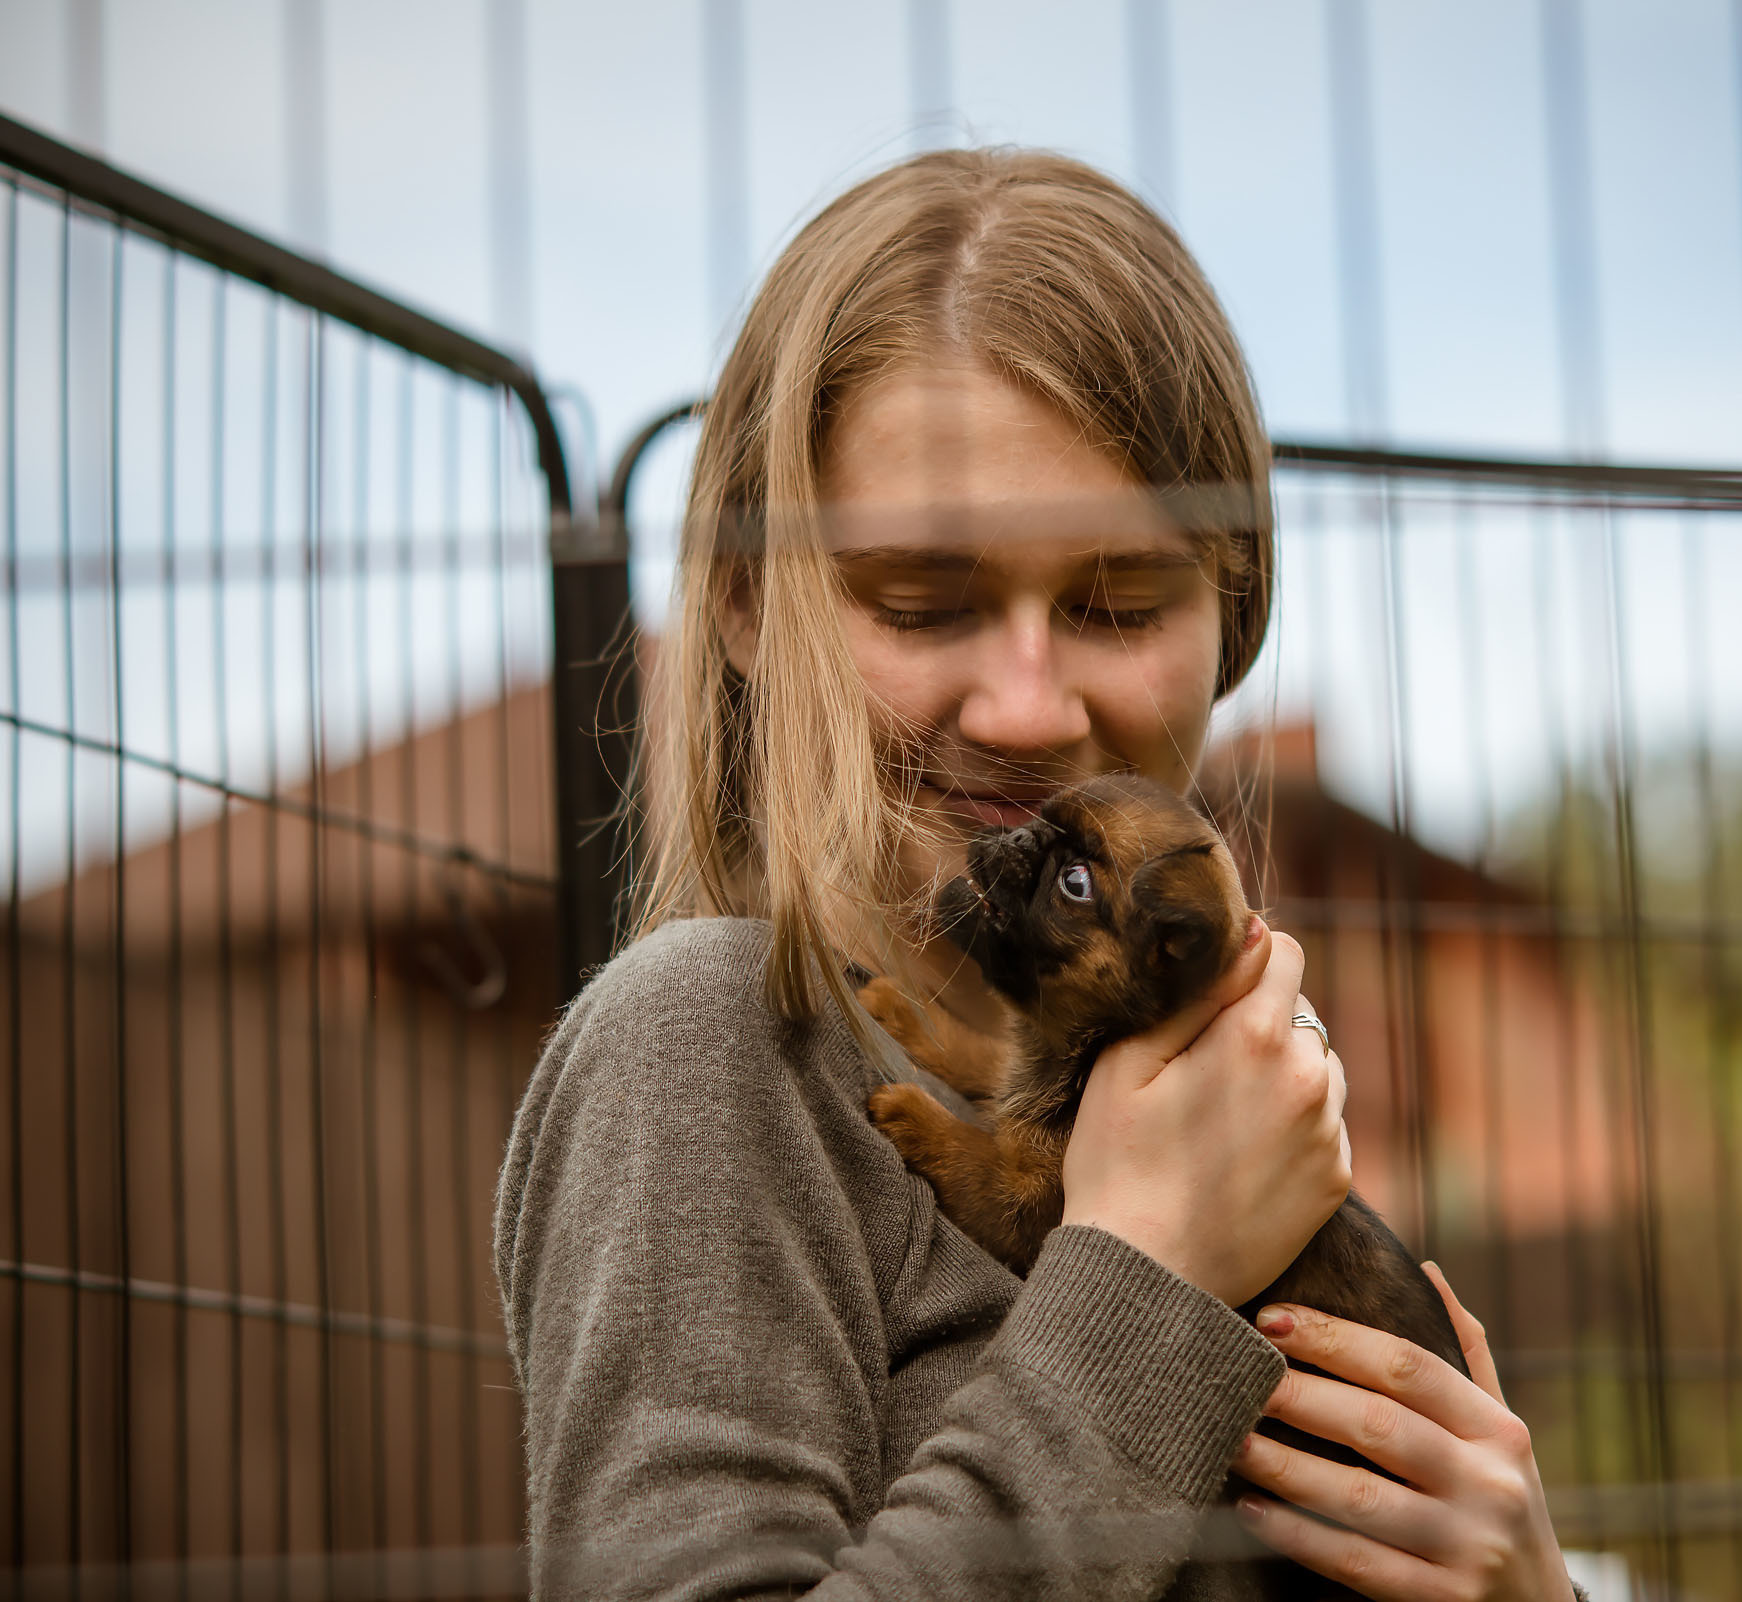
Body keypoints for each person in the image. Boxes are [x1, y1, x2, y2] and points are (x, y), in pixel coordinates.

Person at [494, 147, 1578, 1601]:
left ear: (1233, 609)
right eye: (928, 600)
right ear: (750, 606)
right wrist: (1149, 1275)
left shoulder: (1197, 1092)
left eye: (1118, 601)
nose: (1025, 705)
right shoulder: (710, 1049)